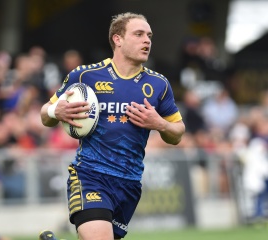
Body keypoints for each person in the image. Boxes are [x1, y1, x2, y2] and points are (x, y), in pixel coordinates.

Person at [39, 12, 185, 240]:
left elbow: (177, 134)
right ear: (118, 39)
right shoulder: (85, 76)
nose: (147, 40)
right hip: (90, 175)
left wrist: (159, 124)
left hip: (129, 183)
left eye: (149, 35)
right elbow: (44, 115)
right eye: (139, 34)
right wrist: (54, 111)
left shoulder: (159, 84)